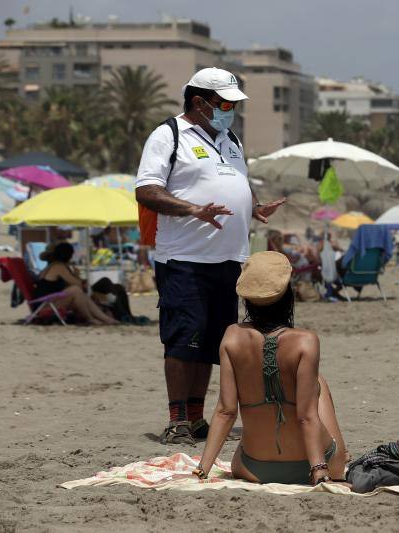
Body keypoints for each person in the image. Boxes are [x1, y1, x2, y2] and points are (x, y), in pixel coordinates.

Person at [135, 67, 285, 445]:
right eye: (225, 103)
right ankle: (177, 420)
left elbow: (235, 182)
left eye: (234, 104)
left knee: (210, 342)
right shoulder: (169, 135)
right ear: (199, 101)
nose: (231, 109)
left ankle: (197, 417)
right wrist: (192, 209)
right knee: (183, 340)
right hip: (185, 257)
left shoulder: (229, 138)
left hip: (228, 259)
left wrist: (254, 207)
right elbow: (147, 191)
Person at [191, 252, 348, 485]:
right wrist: (319, 470)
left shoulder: (232, 337)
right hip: (309, 465)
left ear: (247, 298)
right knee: (317, 382)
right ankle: (319, 462)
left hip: (253, 468)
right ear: (287, 294)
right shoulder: (306, 341)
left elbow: (226, 411)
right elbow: (306, 416)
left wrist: (203, 469)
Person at [34, 242, 119, 326]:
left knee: (79, 295)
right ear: (69, 256)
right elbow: (78, 284)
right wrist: (77, 274)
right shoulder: (58, 266)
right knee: (75, 289)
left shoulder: (52, 266)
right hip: (45, 306)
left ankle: (103, 319)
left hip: (49, 302)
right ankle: (94, 319)